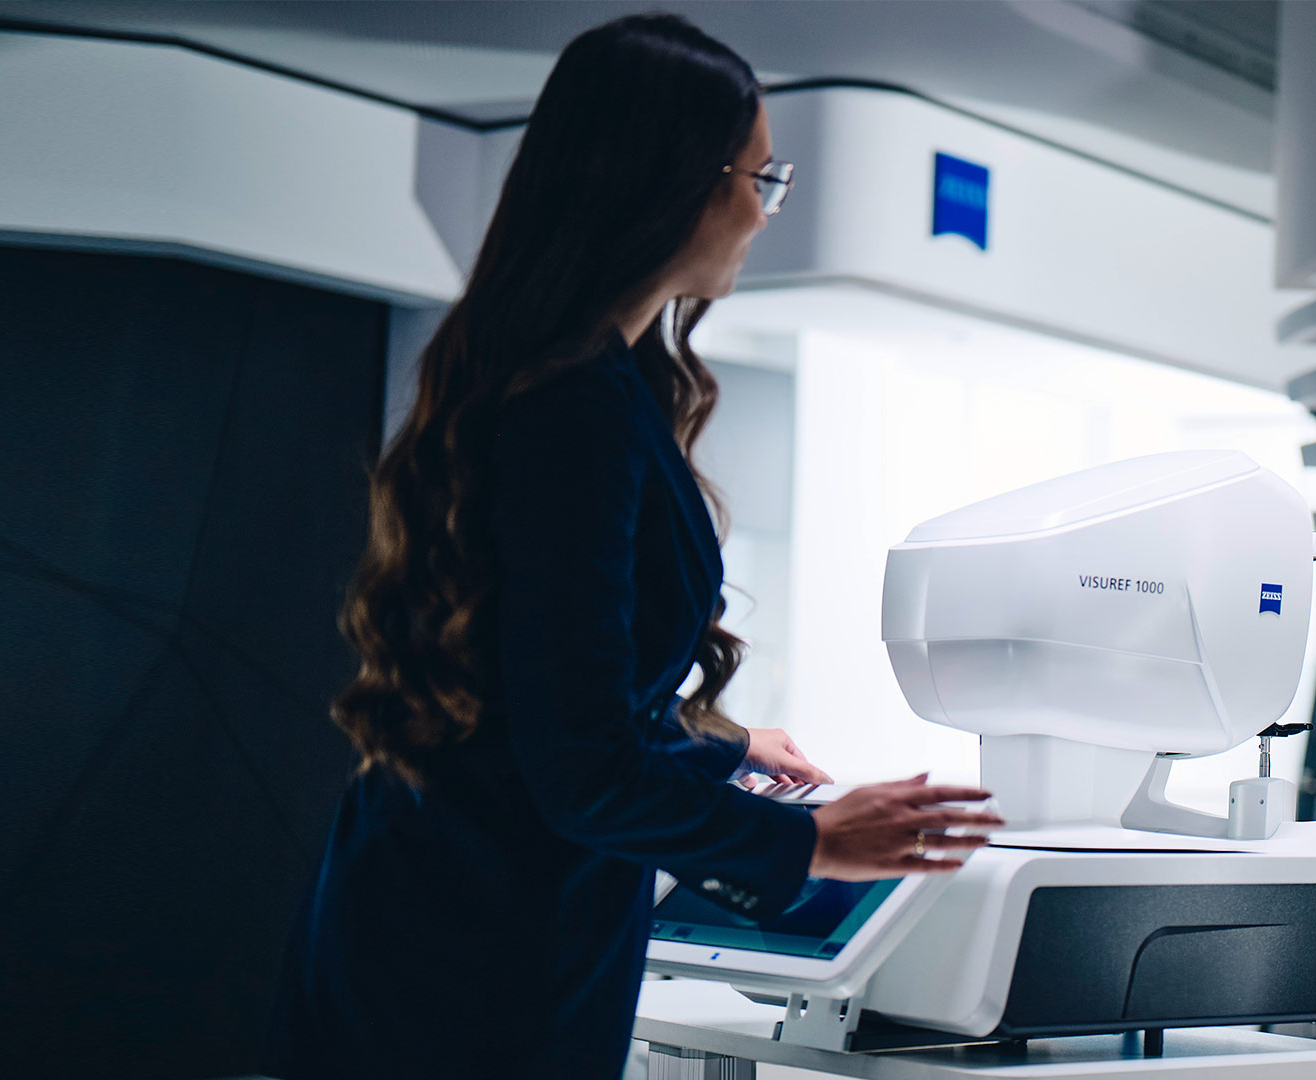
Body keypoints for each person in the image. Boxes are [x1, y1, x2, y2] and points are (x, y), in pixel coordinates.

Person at [265, 14, 1003, 1079]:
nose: (763, 209)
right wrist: (815, 841)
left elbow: (528, 715)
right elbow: (580, 773)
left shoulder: (564, 381)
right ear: (675, 185)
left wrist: (731, 750)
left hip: (439, 909)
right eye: (760, 176)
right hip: (477, 958)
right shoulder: (576, 407)